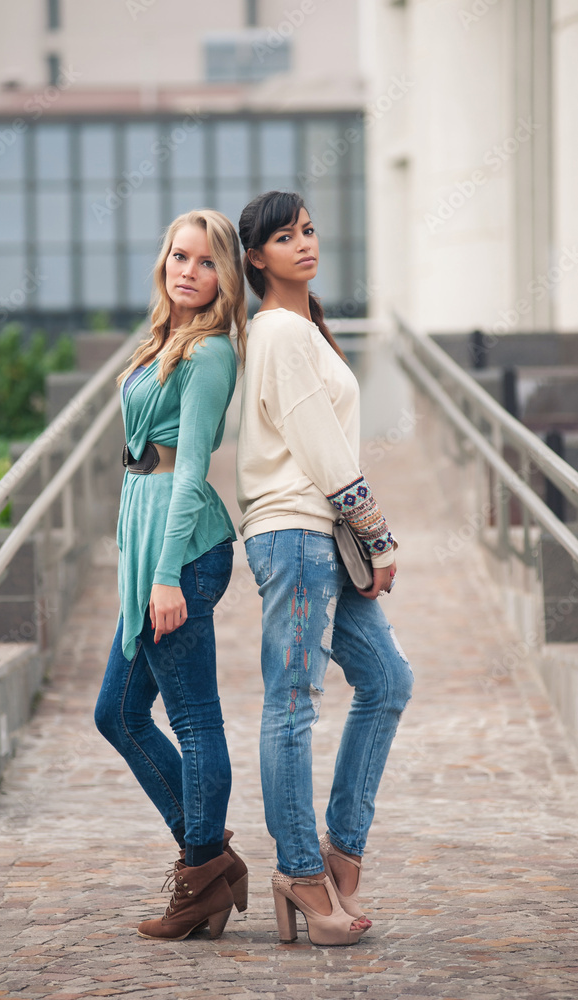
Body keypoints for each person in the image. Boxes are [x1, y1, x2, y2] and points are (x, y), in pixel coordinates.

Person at [236, 191, 414, 947]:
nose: (303, 244)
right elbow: (317, 442)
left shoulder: (303, 327)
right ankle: (301, 873)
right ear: (254, 258)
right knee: (293, 703)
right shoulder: (277, 330)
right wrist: (377, 534)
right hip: (296, 533)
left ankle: (341, 851)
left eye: (307, 230)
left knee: (387, 680)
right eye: (284, 237)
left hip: (319, 536)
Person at [95, 209, 248, 942]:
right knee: (117, 714)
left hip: (182, 548)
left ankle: (200, 873)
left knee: (192, 717)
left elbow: (191, 471)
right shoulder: (164, 338)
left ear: (225, 276)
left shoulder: (209, 352)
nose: (187, 270)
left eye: (206, 261)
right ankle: (209, 861)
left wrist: (163, 578)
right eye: (178, 256)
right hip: (149, 530)